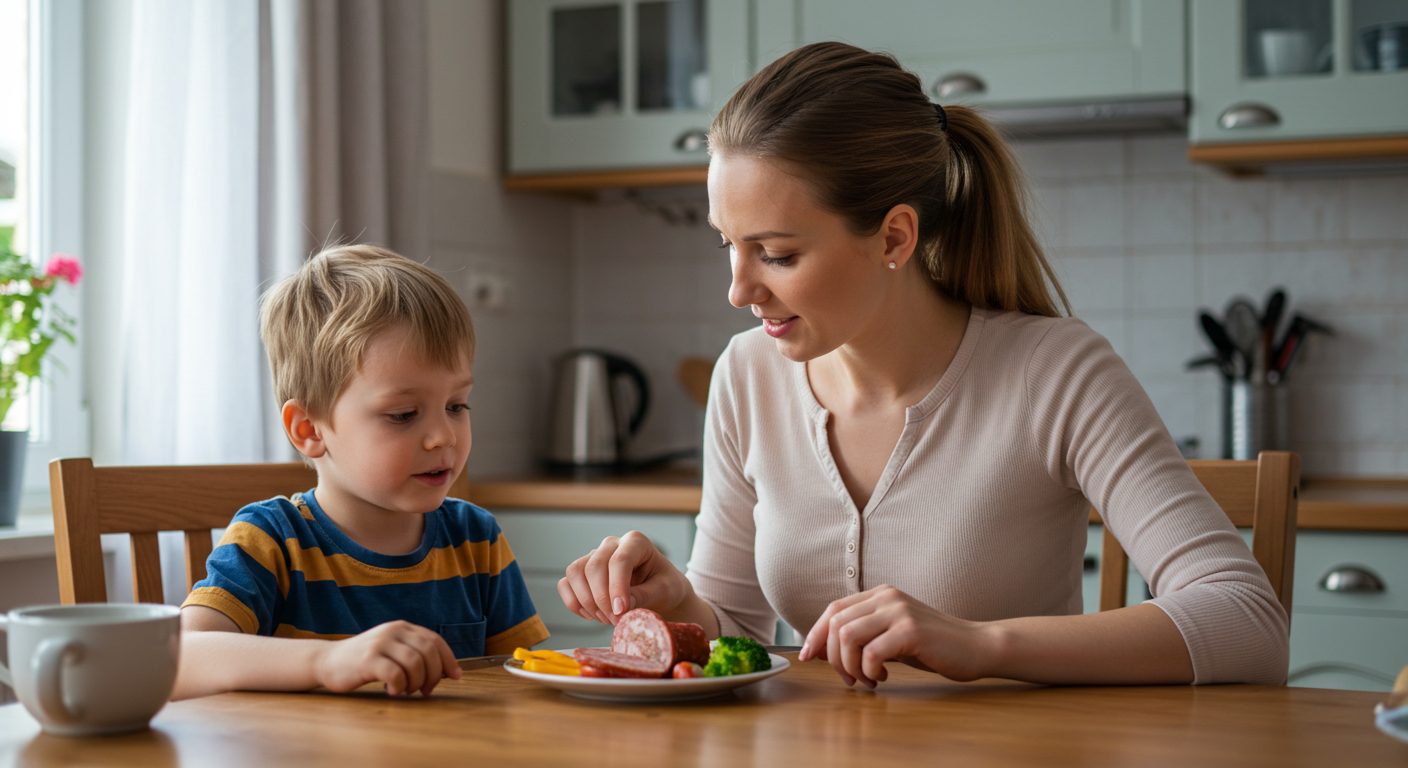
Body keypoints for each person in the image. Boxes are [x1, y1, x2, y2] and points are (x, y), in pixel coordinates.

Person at [557, 42, 1288, 688]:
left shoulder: (1056, 372)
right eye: (729, 245)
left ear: (894, 236)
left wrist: (981, 643)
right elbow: (739, 640)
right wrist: (676, 604)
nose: (739, 289)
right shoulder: (747, 375)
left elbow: (1246, 621)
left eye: (777, 254)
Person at [175, 244, 548, 700]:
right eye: (404, 414)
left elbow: (529, 683)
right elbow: (179, 657)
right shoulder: (270, 541)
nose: (443, 437)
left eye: (456, 405)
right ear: (309, 429)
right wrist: (328, 660)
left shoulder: (476, 540)